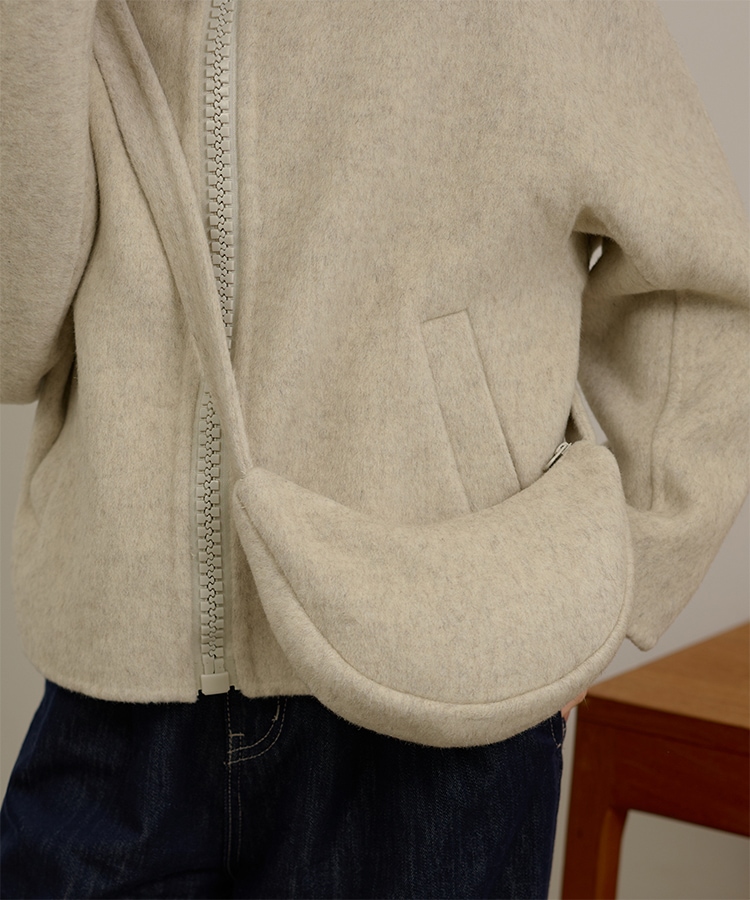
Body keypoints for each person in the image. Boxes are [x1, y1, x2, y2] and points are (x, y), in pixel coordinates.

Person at [1, 1, 747, 897]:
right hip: (117, 690)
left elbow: (702, 283)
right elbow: (13, 348)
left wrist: (616, 579)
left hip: (436, 677)